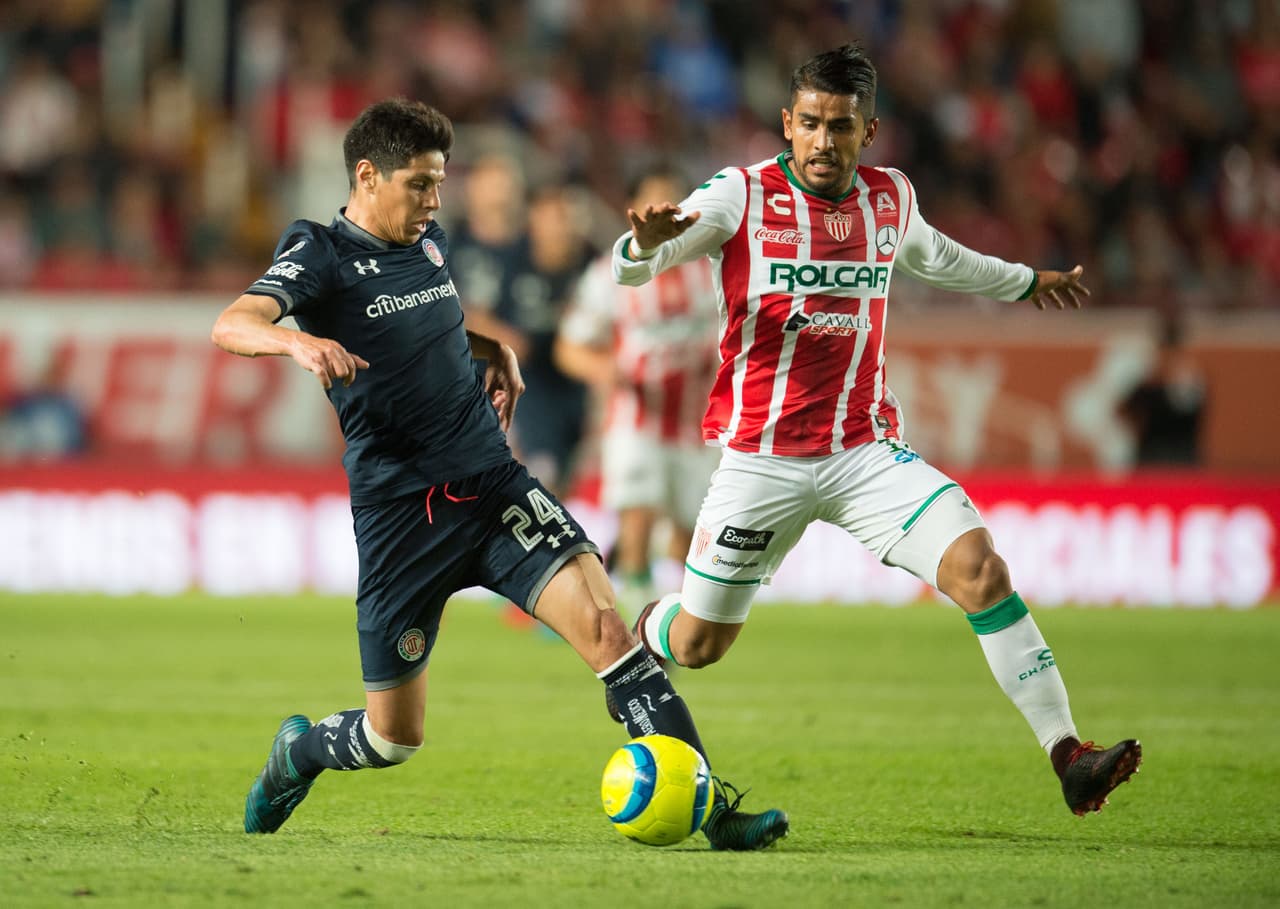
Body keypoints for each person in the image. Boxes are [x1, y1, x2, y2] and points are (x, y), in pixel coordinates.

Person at [210, 98, 787, 849]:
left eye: (440, 183)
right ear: (366, 175)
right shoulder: (320, 251)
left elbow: (427, 321)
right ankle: (301, 751)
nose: (434, 201)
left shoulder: (431, 241)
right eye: (419, 184)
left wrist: (490, 348)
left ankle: (712, 811)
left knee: (614, 632)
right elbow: (232, 322)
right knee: (393, 738)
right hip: (402, 518)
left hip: (492, 484)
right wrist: (299, 346)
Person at [608, 44, 1142, 817]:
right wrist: (646, 244)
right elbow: (632, 268)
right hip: (761, 461)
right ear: (787, 123)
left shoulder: (891, 198)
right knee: (697, 646)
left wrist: (1028, 281)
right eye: (812, 124)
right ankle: (647, 628)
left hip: (865, 452)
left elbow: (941, 259)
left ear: (871, 131)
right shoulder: (739, 194)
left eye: (843, 126)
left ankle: (1069, 755)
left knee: (982, 569)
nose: (825, 141)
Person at [555, 164, 721, 617]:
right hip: (635, 418)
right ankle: (637, 619)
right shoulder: (609, 275)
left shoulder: (712, 269)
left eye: (676, 205)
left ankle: (678, 619)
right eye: (657, 205)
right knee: (638, 516)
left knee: (691, 531)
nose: (667, 216)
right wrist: (606, 370)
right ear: (636, 214)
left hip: (699, 423)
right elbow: (570, 346)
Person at [462, 183, 594, 496]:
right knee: (542, 474)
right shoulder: (510, 262)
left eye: (566, 216)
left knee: (567, 479)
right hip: (529, 384)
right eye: (552, 216)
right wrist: (506, 337)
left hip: (578, 383)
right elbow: (472, 314)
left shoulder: (592, 265)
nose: (560, 226)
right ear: (534, 219)